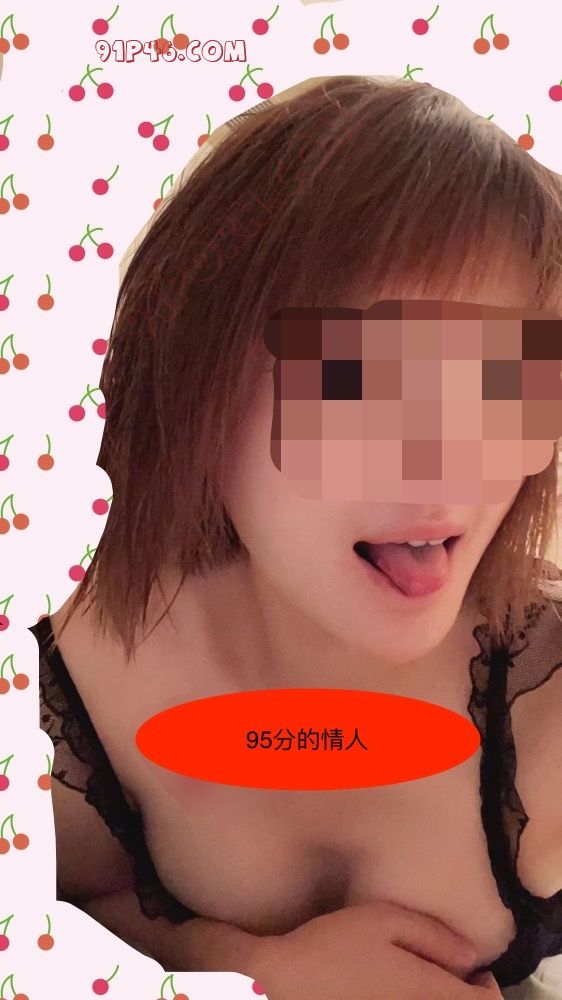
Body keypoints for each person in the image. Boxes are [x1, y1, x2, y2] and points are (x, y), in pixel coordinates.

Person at [30, 75, 562, 999]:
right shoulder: (70, 671)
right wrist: (247, 969)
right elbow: (65, 902)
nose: (445, 471)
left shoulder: (543, 698)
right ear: (195, 387)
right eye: (360, 385)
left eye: (498, 390)